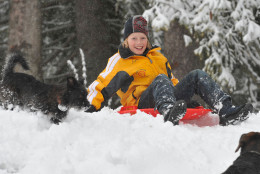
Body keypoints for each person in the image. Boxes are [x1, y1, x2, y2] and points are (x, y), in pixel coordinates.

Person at [86, 15, 253, 126]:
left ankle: (225, 109)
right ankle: (168, 111)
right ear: (126, 40)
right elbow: (102, 83)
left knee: (197, 75)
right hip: (141, 104)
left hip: (167, 97)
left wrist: (185, 102)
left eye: (143, 38)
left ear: (147, 39)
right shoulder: (120, 60)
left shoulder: (158, 57)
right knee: (160, 79)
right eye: (134, 38)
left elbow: (172, 81)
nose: (139, 42)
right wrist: (88, 106)